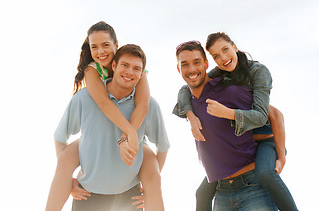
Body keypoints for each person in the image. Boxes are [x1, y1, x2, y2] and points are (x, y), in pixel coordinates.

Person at [46, 22, 167, 211]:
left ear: (116, 45)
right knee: (64, 159)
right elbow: (103, 103)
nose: (100, 51)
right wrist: (69, 181)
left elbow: (143, 105)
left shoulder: (136, 68)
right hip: (100, 138)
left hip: (133, 153)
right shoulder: (92, 71)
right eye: (94, 47)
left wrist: (130, 136)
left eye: (105, 45)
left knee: (151, 163)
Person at [173, 34, 297, 211]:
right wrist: (190, 115)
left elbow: (273, 115)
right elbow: (186, 88)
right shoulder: (215, 78)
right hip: (223, 185)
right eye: (216, 56)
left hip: (265, 143)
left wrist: (281, 155)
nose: (223, 58)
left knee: (265, 173)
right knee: (201, 193)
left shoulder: (252, 75)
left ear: (234, 47)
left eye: (225, 50)